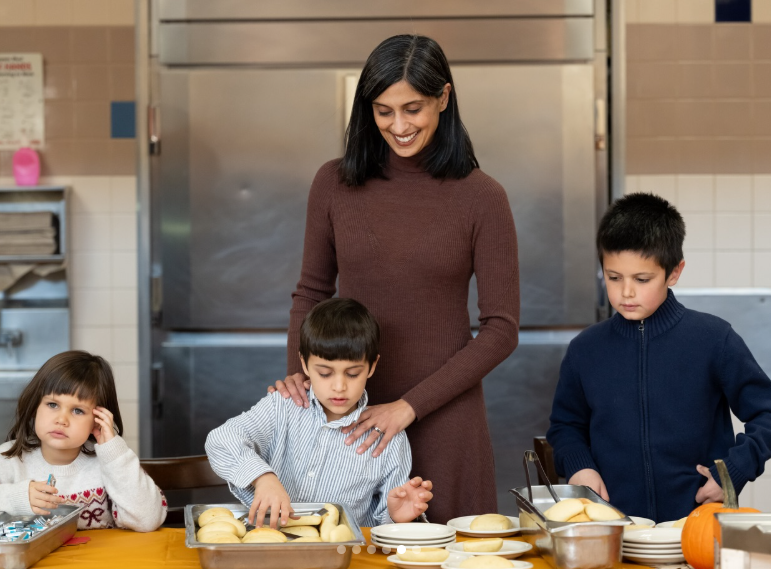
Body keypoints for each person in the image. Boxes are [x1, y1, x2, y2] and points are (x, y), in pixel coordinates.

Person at [269, 34, 520, 524]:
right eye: (384, 111)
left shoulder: (482, 197)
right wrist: (303, 378)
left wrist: (409, 406)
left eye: (413, 109)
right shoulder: (333, 183)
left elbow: (501, 328)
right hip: (351, 419)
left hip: (446, 422)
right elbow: (312, 292)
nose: (399, 126)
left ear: (443, 98)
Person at [547, 192, 771, 523]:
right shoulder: (585, 349)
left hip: (698, 527)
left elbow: (766, 412)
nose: (626, 292)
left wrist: (734, 471)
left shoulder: (713, 339)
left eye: (642, 279)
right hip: (614, 529)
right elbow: (565, 426)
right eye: (613, 277)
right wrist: (579, 465)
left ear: (674, 272)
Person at [207, 298, 433, 529]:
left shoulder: (388, 436)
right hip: (269, 547)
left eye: (353, 373)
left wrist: (397, 517)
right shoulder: (282, 407)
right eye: (325, 373)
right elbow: (221, 440)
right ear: (304, 364)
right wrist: (263, 478)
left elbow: (382, 528)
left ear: (372, 366)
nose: (339, 386)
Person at [0, 351, 167, 531]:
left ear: (97, 420)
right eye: (52, 404)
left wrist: (115, 452)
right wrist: (11, 498)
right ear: (35, 406)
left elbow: (147, 520)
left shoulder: (110, 464)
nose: (61, 420)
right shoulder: (6, 460)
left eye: (78, 410)